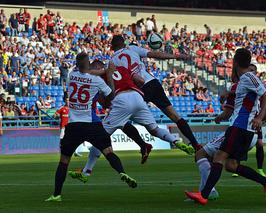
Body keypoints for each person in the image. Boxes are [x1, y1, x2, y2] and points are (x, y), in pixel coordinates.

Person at [69, 36, 192, 182]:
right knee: (153, 128)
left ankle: (86, 172)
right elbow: (140, 79)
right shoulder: (122, 66)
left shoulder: (99, 76)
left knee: (100, 138)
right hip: (138, 97)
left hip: (122, 100)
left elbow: (106, 99)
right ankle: (176, 141)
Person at [185, 48, 266, 205]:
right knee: (231, 165)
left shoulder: (248, 77)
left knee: (219, 157)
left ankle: (204, 195)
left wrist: (260, 118)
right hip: (241, 127)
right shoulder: (243, 81)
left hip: (240, 127)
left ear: (235, 62)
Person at [45, 52, 137, 202]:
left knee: (64, 161)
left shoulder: (71, 75)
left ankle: (56, 195)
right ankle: (121, 172)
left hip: (73, 125)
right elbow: (110, 95)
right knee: (108, 152)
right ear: (88, 64)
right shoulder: (96, 81)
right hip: (92, 125)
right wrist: (109, 73)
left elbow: (83, 69)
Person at [128, 39, 202, 152]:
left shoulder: (122, 54)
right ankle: (196, 144)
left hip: (141, 89)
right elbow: (156, 54)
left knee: (123, 116)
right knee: (176, 116)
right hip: (153, 83)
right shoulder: (134, 51)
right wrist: (175, 56)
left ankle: (143, 145)